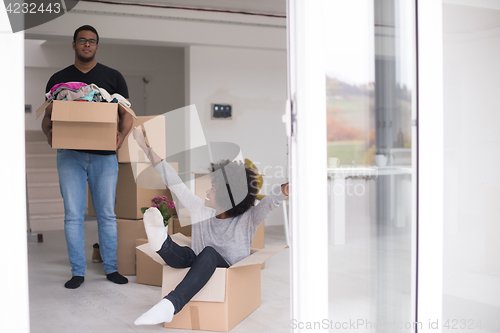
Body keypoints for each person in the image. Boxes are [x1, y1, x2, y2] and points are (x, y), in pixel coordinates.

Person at [131, 127, 289, 325]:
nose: (206, 191)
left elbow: (271, 200)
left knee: (208, 253)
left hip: (227, 269)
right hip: (197, 264)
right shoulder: (200, 209)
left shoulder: (248, 219)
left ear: (227, 196)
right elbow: (172, 180)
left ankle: (171, 304)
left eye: (213, 188)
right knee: (190, 254)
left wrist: (287, 188)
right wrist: (144, 147)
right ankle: (161, 243)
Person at [41, 25, 133, 289]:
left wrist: (121, 136)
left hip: (105, 156)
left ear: (96, 45)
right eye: (82, 40)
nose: (87, 45)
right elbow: (48, 118)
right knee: (73, 215)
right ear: (74, 45)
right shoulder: (59, 79)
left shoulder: (113, 77)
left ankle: (111, 268)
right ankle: (77, 272)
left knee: (106, 214)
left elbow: (126, 115)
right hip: (70, 156)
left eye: (91, 41)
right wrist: (50, 133)